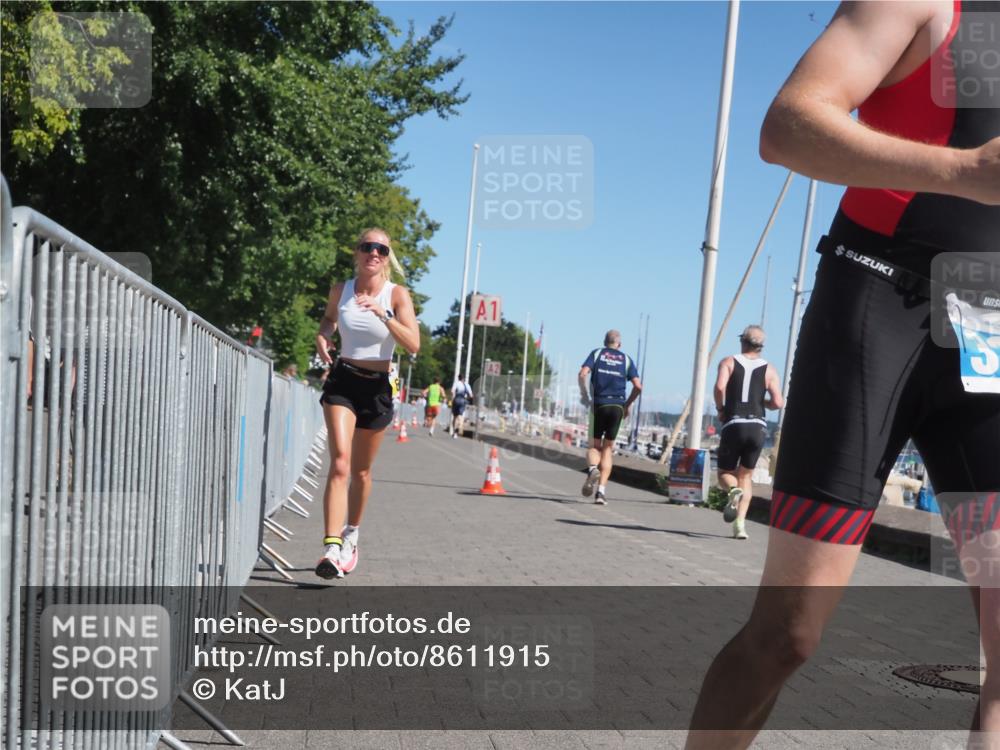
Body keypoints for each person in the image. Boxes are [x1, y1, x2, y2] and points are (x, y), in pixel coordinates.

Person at [686, 2, 999, 746]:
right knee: (788, 634)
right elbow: (786, 125)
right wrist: (962, 171)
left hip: (985, 326)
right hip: (877, 300)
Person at [314, 228, 420, 579]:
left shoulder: (397, 294)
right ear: (356, 253)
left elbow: (413, 344)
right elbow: (329, 320)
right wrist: (323, 336)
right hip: (343, 380)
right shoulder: (340, 291)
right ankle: (330, 547)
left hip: (376, 387)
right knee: (340, 462)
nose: (373, 253)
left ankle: (351, 534)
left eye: (381, 249)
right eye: (367, 247)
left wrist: (383, 314)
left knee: (361, 471)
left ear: (387, 257)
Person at [713, 325, 784, 540]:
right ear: (761, 346)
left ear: (742, 341)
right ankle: (740, 526)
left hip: (734, 423)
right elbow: (779, 402)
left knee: (725, 474)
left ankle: (733, 491)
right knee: (746, 476)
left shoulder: (728, 362)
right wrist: (761, 402)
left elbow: (719, 388)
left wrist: (721, 409)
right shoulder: (770, 369)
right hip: (758, 427)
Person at [578, 330, 642, 505]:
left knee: (594, 446)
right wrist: (627, 405)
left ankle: (592, 469)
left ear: (604, 342)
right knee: (607, 449)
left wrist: (585, 395)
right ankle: (601, 492)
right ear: (619, 345)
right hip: (617, 407)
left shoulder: (597, 353)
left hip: (599, 404)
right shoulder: (627, 359)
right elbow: (638, 386)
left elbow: (582, 374)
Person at [449, 374, 474, 439]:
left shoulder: (456, 383)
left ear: (458, 378)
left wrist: (453, 398)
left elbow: (452, 391)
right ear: (464, 378)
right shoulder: (467, 385)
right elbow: (471, 396)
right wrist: (467, 399)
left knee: (455, 416)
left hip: (456, 400)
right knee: (461, 415)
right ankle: (460, 426)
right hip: (463, 400)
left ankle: (454, 432)